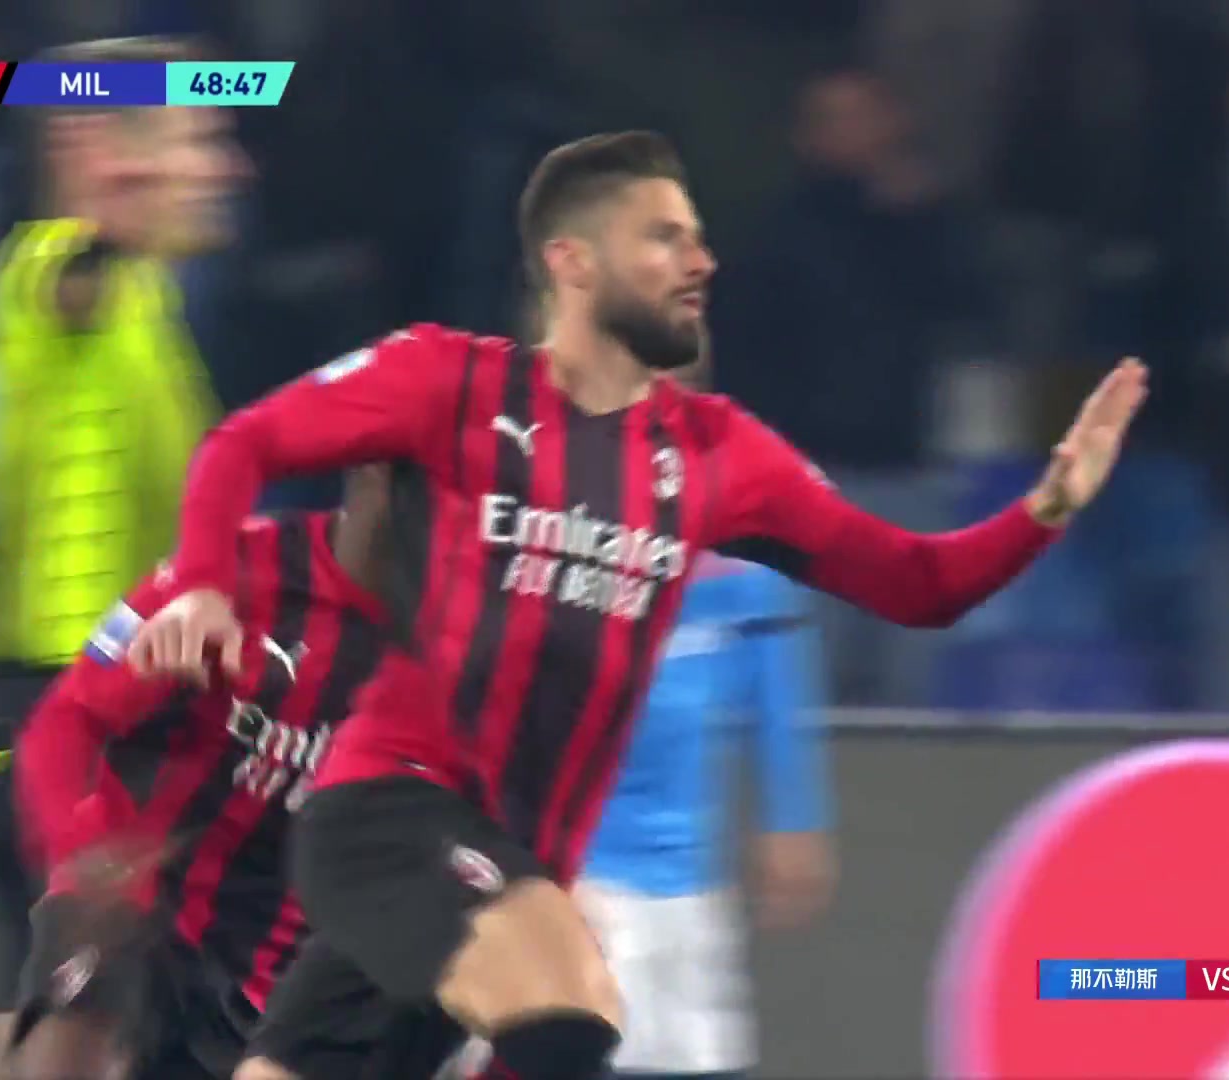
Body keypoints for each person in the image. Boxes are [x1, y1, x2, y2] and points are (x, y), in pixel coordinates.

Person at [132, 131, 1146, 1079]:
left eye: (699, 239)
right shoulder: (447, 380)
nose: (701, 261)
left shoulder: (720, 455)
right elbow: (242, 445)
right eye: (665, 237)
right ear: (573, 262)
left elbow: (918, 585)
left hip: (512, 861)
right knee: (569, 1013)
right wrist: (206, 588)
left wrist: (1047, 506)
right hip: (393, 811)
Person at [0, 35, 246, 1077]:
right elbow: (72, 271)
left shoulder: (151, 306)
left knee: (92, 1027)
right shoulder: (58, 275)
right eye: (197, 139)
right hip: (49, 702)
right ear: (103, 153)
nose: (224, 166)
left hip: (116, 709)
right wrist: (97, 211)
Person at [10, 467, 464, 1080]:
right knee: (81, 1009)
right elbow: (64, 722)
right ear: (366, 473)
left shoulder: (457, 643)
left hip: (271, 972)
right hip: (138, 906)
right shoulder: (226, 575)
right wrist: (79, 854)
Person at [572, 354, 836, 1080]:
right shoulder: (542, 516)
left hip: (690, 882)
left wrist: (794, 814)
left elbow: (775, 673)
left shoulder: (744, 523)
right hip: (576, 873)